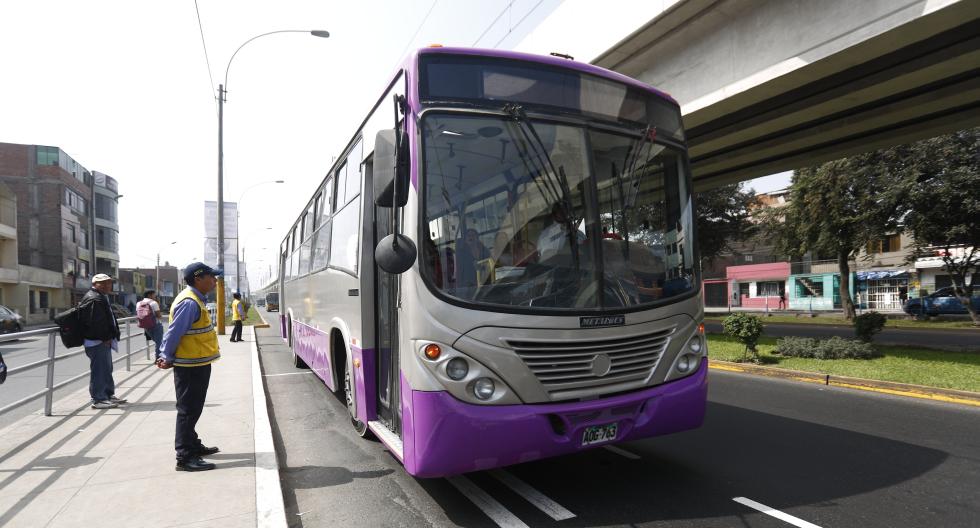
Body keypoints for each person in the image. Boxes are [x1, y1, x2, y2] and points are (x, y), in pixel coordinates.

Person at [156, 262, 223, 472]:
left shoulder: (196, 299)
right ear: (198, 278)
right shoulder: (189, 302)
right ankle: (185, 457)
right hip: (190, 365)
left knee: (194, 408)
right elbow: (174, 333)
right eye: (211, 277)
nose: (215, 281)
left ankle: (192, 444)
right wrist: (165, 355)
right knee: (188, 410)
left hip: (197, 362)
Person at [81, 274, 126, 409]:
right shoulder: (94, 298)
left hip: (101, 340)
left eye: (109, 283)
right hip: (98, 341)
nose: (107, 285)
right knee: (99, 370)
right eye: (103, 283)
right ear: (94, 284)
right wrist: (105, 338)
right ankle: (99, 399)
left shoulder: (100, 296)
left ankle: (107, 395)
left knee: (106, 369)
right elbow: (97, 322)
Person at [138, 290, 165, 358]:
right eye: (154, 295)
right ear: (149, 295)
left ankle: (158, 356)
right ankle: (158, 358)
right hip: (156, 325)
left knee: (157, 341)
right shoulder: (153, 303)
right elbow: (159, 316)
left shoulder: (139, 303)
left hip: (146, 325)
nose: (155, 296)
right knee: (159, 342)